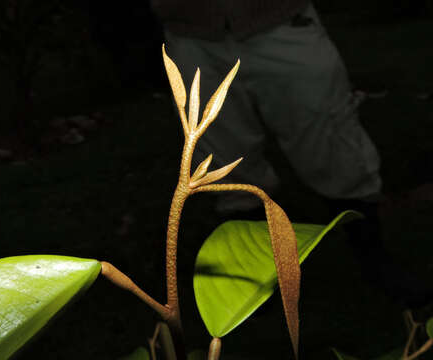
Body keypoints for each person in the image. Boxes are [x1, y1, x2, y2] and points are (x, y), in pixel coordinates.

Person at [150, 0, 432, 309]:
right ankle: (256, 276)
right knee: (222, 157)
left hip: (280, 21)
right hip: (189, 32)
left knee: (329, 138)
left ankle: (374, 260)